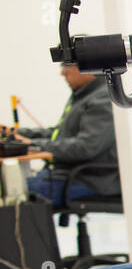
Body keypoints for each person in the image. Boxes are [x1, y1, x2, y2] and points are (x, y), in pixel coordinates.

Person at [4, 63, 119, 207]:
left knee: (13, 192)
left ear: (87, 68)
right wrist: (15, 134)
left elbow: (85, 147)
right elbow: (58, 134)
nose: (62, 73)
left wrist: (32, 145)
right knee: (11, 185)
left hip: (90, 180)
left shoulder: (102, 99)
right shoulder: (83, 94)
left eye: (66, 67)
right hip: (67, 174)